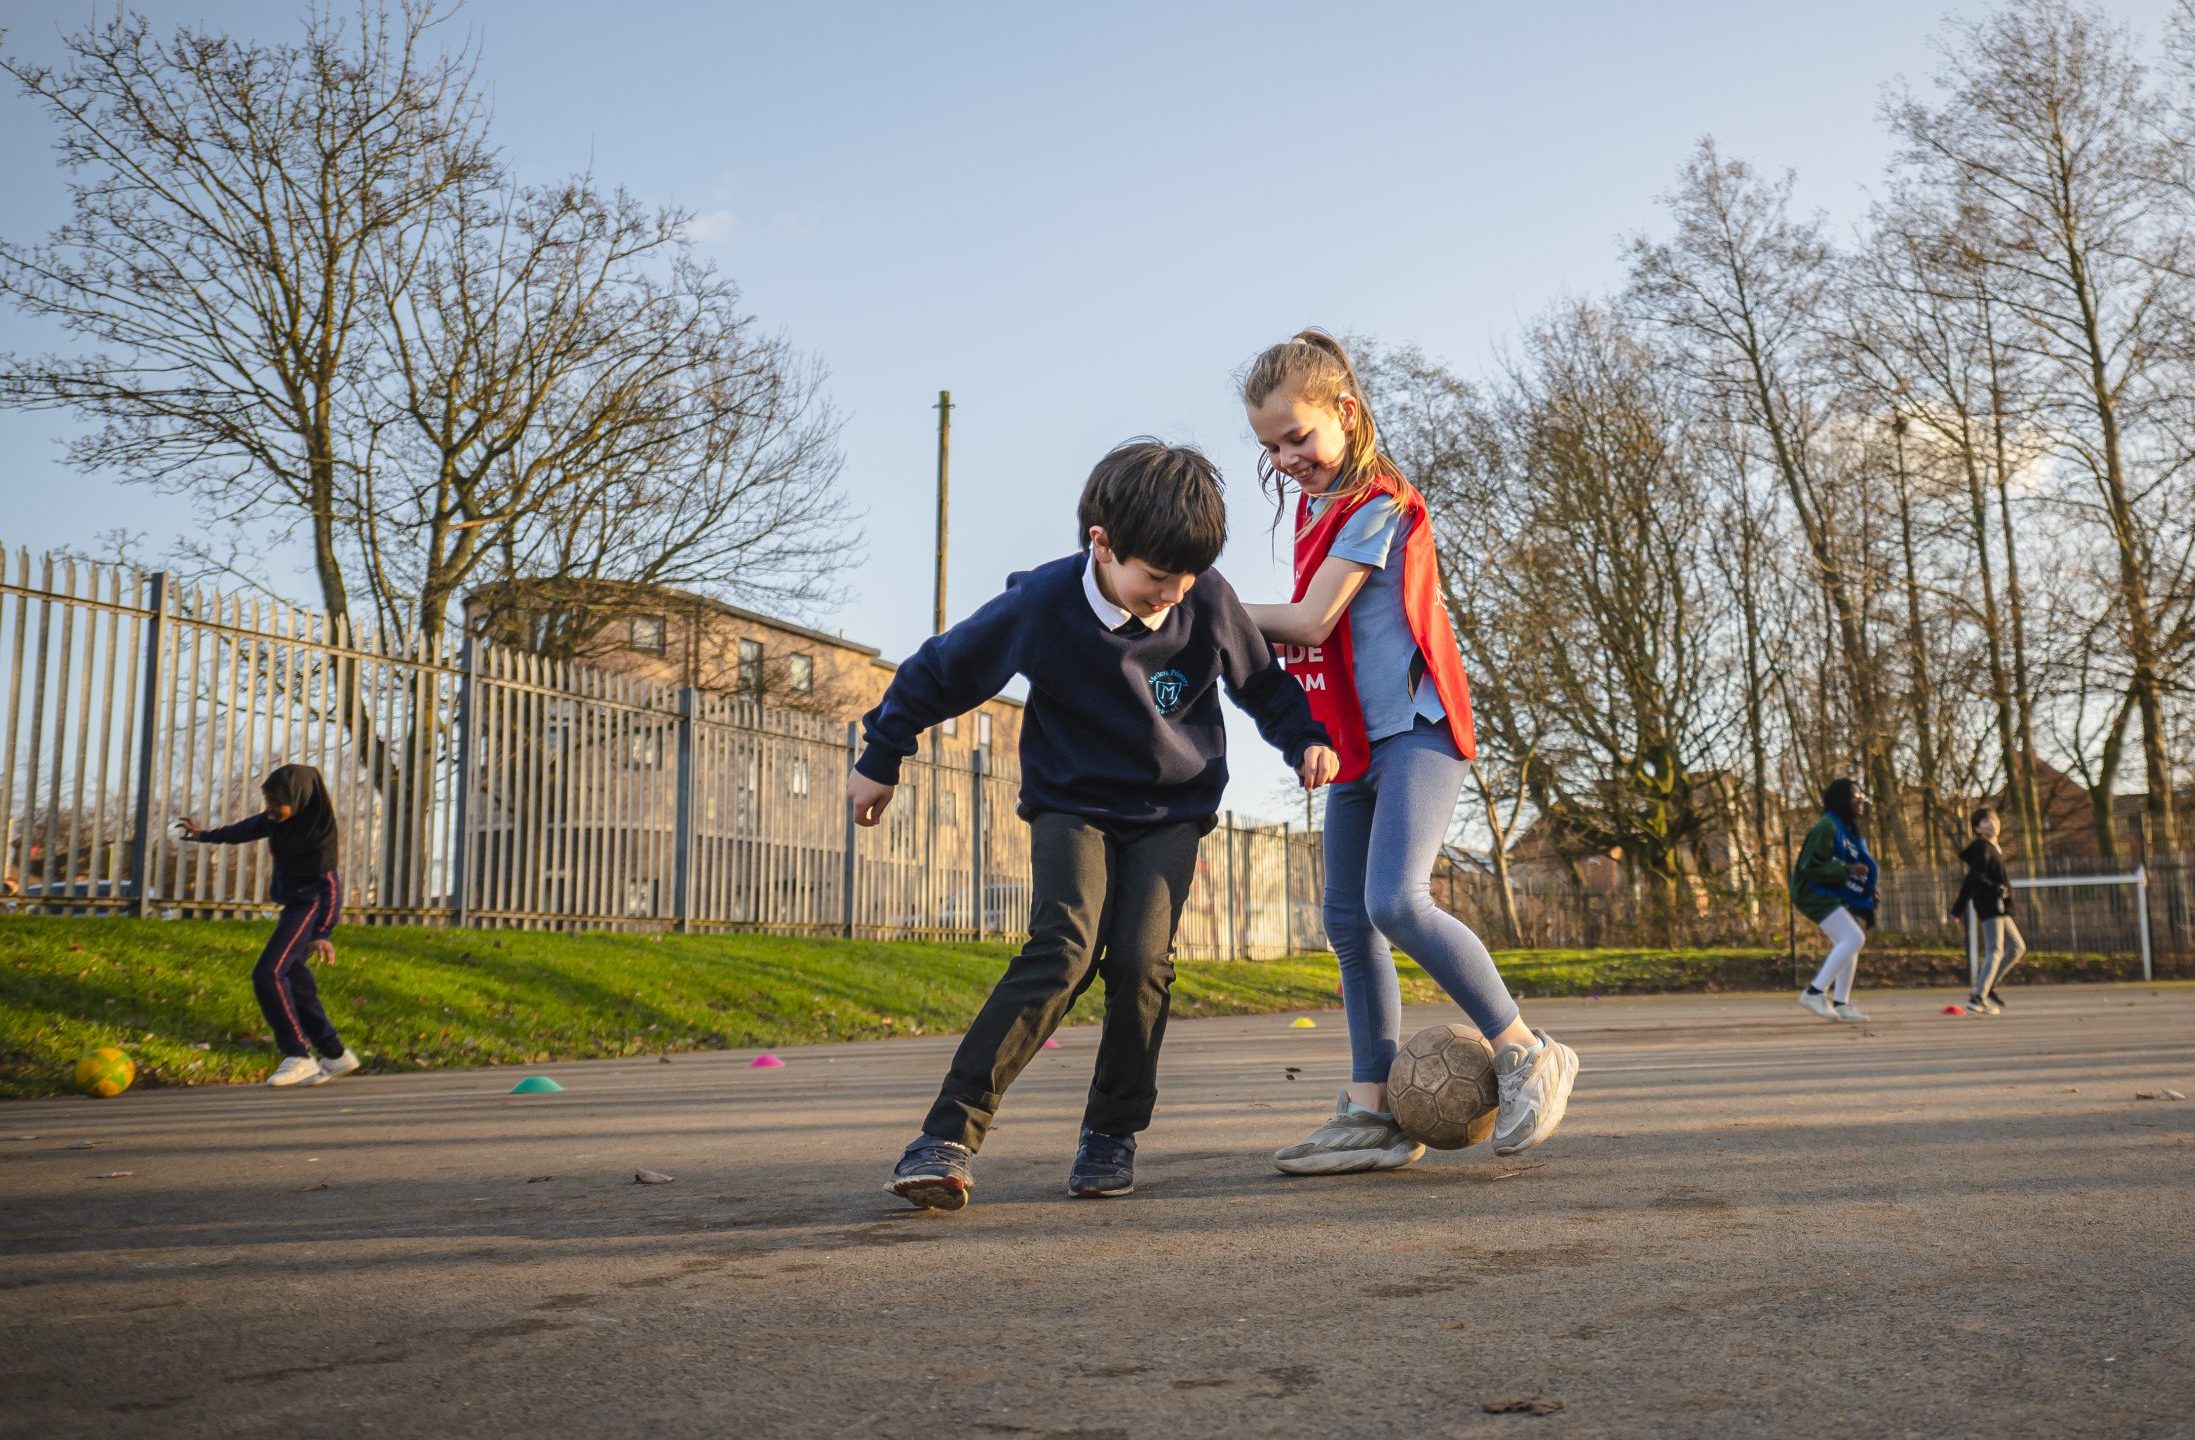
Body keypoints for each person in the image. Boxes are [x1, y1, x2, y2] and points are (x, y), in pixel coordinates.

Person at [854, 439, 1338, 1210]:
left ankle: (1111, 1133)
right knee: (1064, 948)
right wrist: (882, 753)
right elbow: (940, 671)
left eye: (1183, 582)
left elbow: (1264, 687)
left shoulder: (1205, 600)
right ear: (1102, 545)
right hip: (1071, 802)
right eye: (1155, 580)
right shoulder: (1040, 606)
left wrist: (1304, 738)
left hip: (1170, 810)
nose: (1169, 597)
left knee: (1141, 963)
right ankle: (945, 1134)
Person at [1237, 329, 1579, 1175]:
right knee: (1347, 922)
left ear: (1344, 414)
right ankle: (1372, 1110)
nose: (1284, 458)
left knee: (1395, 900)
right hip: (1358, 744)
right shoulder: (1316, 515)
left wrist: (1201, 607)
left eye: (1296, 437)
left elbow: (1314, 620)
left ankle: (1527, 1049)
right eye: (1268, 446)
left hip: (1420, 736)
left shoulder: (1380, 503)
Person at [177, 764, 361, 1087]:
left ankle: (297, 1054)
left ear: (301, 799)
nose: (271, 810)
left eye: (278, 803)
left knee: (268, 973)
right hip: (294, 906)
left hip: (309, 908)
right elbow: (242, 830)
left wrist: (323, 934)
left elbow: (331, 887)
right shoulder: (277, 822)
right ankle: (334, 1054)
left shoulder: (319, 838)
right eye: (269, 802)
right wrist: (202, 835)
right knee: (296, 980)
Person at [1792, 778, 1879, 1024]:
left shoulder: (1844, 828)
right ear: (1842, 800)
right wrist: (1847, 871)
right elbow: (1810, 866)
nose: (1860, 802)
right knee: (1854, 938)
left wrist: (1865, 887)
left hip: (1829, 891)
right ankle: (1814, 993)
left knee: (1848, 941)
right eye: (1855, 797)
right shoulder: (1827, 827)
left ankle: (1841, 1003)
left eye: (1862, 797)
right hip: (1812, 891)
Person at [1952, 806, 2023, 1016]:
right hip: (1989, 905)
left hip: (1999, 906)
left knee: (2018, 947)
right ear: (1977, 828)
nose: (1991, 823)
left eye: (1993, 819)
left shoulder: (1994, 848)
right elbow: (1974, 878)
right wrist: (1959, 907)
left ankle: (1987, 986)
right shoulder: (1982, 847)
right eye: (1985, 821)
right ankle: (1978, 996)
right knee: (1995, 950)